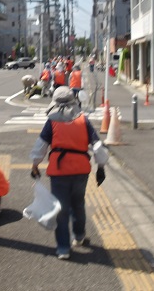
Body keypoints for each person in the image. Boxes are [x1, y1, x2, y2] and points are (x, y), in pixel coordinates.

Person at [29, 86, 109, 260]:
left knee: (62, 210)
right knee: (78, 205)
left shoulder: (51, 122)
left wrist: (35, 165)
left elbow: (40, 147)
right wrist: (101, 166)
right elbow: (97, 146)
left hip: (59, 172)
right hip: (81, 171)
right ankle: (79, 237)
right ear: (74, 101)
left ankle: (63, 248)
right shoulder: (83, 120)